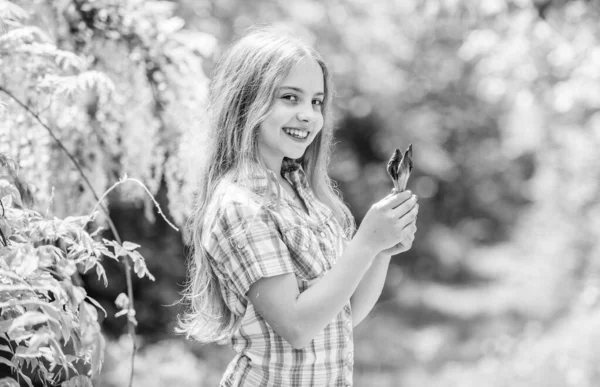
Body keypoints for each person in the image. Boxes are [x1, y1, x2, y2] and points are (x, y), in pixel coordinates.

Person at [176, 26, 419, 387]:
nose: (308, 114)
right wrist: (366, 242)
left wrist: (381, 250)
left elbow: (340, 315)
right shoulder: (242, 205)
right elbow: (297, 326)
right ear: (246, 103)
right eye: (290, 97)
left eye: (316, 101)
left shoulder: (303, 194)